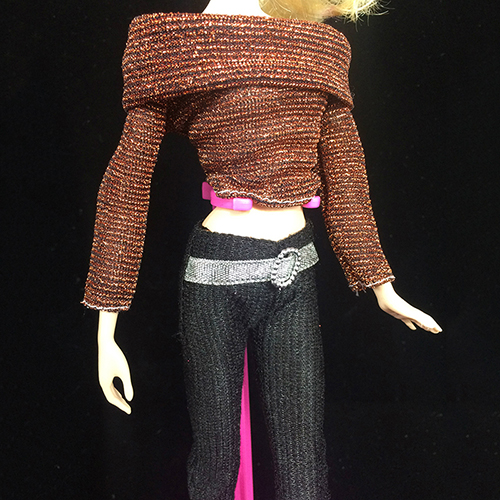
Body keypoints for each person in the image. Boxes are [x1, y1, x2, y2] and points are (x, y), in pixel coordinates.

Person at [83, 0, 442, 498]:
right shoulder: (176, 46)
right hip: (216, 276)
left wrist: (382, 286)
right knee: (216, 456)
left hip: (294, 271)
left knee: (303, 458)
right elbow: (126, 185)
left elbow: (346, 177)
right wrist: (106, 330)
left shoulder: (318, 50)